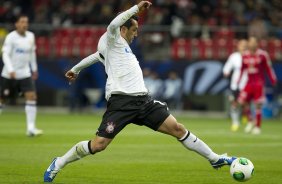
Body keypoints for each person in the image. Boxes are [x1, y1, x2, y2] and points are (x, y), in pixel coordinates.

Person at [44, 2, 236, 182]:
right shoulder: (112, 37)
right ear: (123, 29)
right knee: (98, 145)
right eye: (134, 29)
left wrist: (75, 69)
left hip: (143, 101)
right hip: (121, 102)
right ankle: (58, 162)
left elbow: (96, 57)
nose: (136, 34)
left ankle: (214, 158)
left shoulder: (116, 47)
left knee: (178, 128)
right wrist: (136, 8)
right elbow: (112, 24)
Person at [0, 14, 42, 137]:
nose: (25, 24)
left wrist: (34, 69)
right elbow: (5, 54)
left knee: (32, 97)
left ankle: (31, 129)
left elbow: (32, 54)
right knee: (2, 99)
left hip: (25, 73)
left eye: (26, 22)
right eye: (22, 22)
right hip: (9, 74)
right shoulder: (11, 37)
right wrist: (10, 69)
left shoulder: (31, 36)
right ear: (16, 24)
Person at [237, 37, 277, 135]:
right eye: (251, 42)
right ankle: (250, 121)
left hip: (259, 83)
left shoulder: (263, 55)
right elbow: (242, 69)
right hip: (249, 83)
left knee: (258, 105)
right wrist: (238, 79)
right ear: (249, 44)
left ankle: (258, 127)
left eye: (254, 42)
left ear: (257, 44)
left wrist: (273, 79)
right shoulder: (245, 55)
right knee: (241, 101)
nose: (252, 44)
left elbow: (268, 68)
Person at [222, 39, 248, 132]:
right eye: (242, 45)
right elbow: (227, 66)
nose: (243, 47)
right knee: (234, 103)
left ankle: (246, 117)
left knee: (245, 104)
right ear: (238, 46)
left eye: (245, 45)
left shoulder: (250, 56)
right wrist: (226, 72)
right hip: (235, 85)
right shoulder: (234, 56)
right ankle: (235, 122)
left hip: (247, 84)